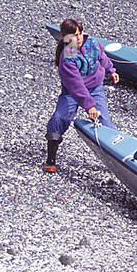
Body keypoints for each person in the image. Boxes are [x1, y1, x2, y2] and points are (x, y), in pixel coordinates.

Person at [44, 19, 119, 173]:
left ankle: (117, 160)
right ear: (64, 37)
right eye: (72, 37)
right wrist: (89, 106)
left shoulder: (93, 43)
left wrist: (111, 70)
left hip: (95, 88)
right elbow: (76, 84)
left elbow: (102, 58)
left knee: (105, 121)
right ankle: (51, 159)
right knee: (59, 117)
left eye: (78, 35)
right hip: (73, 92)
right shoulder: (68, 55)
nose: (77, 39)